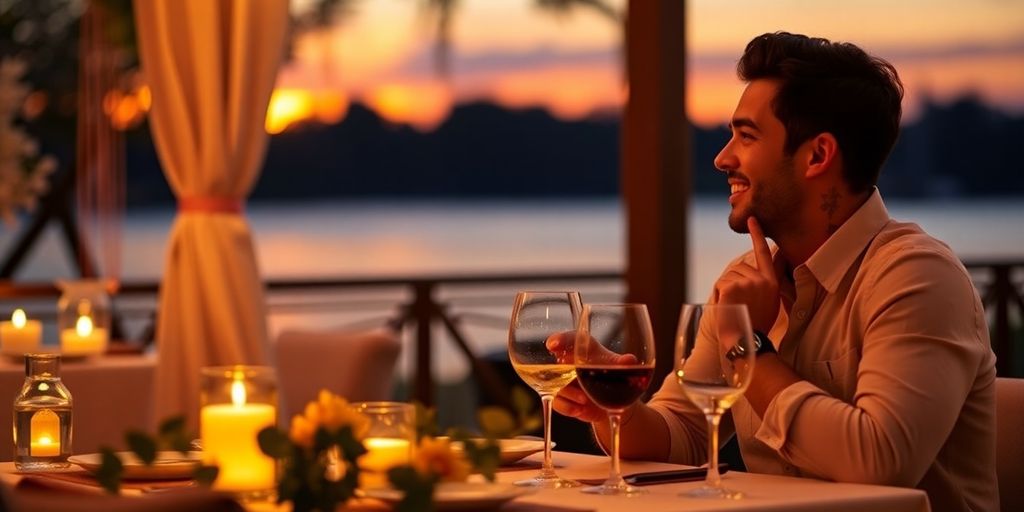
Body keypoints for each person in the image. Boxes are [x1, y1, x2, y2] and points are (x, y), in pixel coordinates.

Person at [552, 31, 998, 512]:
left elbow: (881, 462)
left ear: (818, 156)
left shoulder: (918, 276)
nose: (723, 158)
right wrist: (615, 411)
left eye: (747, 136)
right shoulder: (744, 279)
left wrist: (751, 351)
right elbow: (682, 430)